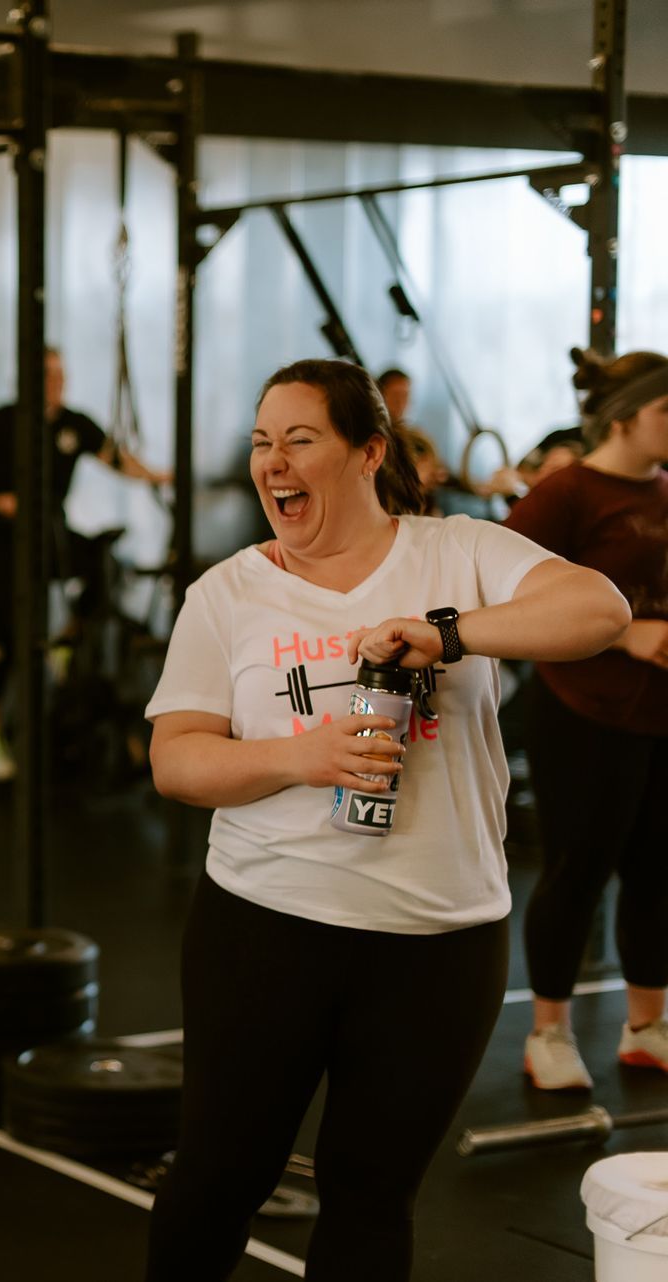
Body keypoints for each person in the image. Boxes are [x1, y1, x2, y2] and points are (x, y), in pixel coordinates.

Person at [142, 358, 627, 1281]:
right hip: (266, 926)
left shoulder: (460, 553)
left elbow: (597, 609)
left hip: (438, 940)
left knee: (372, 1196)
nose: (273, 464)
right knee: (215, 1180)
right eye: (261, 444)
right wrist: (303, 756)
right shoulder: (228, 594)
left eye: (300, 440)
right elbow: (176, 759)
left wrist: (450, 633)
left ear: (368, 453)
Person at [504, 347, 668, 1090]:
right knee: (576, 872)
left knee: (657, 874)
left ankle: (646, 1026)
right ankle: (549, 1034)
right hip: (581, 710)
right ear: (626, 416)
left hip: (659, 715)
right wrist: (625, 631)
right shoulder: (567, 494)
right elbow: (505, 592)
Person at [0, 346, 170, 780]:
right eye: (47, 374)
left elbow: (116, 459)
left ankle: (64, 645)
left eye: (60, 374)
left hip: (45, 536)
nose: (56, 382)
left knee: (101, 566)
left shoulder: (72, 425)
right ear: (26, 379)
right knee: (9, 630)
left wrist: (161, 475)